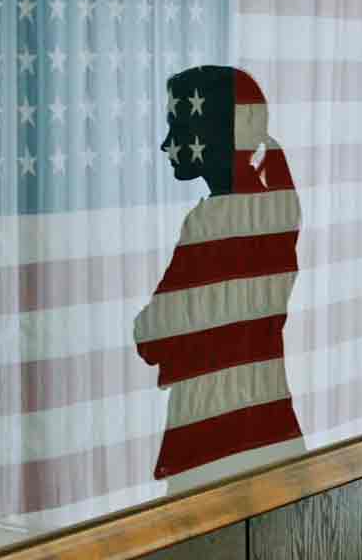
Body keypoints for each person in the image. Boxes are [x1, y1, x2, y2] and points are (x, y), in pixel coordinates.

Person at [134, 65, 306, 494]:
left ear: (208, 133)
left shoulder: (212, 220)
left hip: (213, 432)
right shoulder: (275, 207)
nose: (166, 144)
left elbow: (152, 335)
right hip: (267, 418)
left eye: (177, 126)